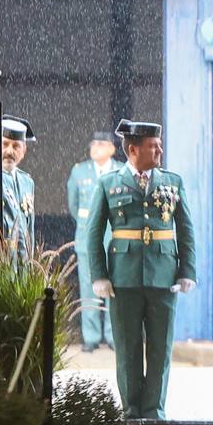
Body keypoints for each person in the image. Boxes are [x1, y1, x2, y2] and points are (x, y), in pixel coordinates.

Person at [84, 119, 197, 420]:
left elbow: (185, 229)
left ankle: (154, 409)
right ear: (133, 149)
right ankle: (131, 409)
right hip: (123, 276)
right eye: (152, 145)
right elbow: (93, 232)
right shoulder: (109, 183)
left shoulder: (172, 182)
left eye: (159, 145)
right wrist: (99, 275)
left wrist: (187, 271)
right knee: (128, 346)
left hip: (163, 275)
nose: (159, 149)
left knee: (160, 348)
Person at [68, 131, 122, 351]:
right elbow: (73, 205)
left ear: (112, 148)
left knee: (115, 289)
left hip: (116, 239)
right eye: (93, 144)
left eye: (101, 144)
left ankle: (113, 335)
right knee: (89, 288)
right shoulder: (79, 171)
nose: (95, 148)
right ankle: (90, 337)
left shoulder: (121, 170)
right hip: (86, 238)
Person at [0, 116, 36, 260]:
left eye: (16, 146)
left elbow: (29, 227)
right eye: (5, 144)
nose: (9, 151)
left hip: (23, 262)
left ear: (24, 150)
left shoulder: (27, 182)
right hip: (3, 261)